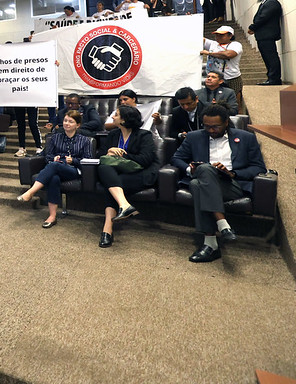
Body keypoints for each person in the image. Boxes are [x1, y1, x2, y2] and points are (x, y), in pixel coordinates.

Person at [170, 104, 266, 262]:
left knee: (198, 183)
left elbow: (258, 167)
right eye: (207, 126)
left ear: (226, 122)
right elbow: (176, 158)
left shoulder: (246, 137)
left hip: (231, 184)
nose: (211, 130)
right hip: (202, 179)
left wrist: (232, 173)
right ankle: (217, 233)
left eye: (215, 127)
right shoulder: (194, 137)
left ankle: (212, 241)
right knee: (201, 176)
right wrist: (190, 170)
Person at [96, 105, 160, 248]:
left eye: (116, 115)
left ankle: (107, 231)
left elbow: (145, 160)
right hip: (120, 173)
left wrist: (122, 154)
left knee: (110, 186)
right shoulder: (113, 134)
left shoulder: (144, 135)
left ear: (124, 119)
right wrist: (109, 150)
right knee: (105, 169)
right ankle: (123, 207)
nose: (112, 117)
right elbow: (99, 156)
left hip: (141, 173)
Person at [17, 111, 93, 228]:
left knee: (54, 166)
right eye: (65, 121)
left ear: (77, 125)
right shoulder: (55, 138)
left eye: (70, 121)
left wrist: (73, 161)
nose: (67, 123)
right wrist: (53, 158)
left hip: (74, 170)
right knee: (53, 178)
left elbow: (87, 160)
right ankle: (52, 216)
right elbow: (47, 156)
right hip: (57, 167)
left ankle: (31, 192)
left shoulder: (85, 140)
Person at [247, 0, 283, 85]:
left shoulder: (271, 2)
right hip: (263, 35)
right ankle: (271, 78)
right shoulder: (266, 3)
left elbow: (264, 17)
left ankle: (274, 79)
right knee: (267, 57)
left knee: (271, 57)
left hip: (267, 35)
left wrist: (252, 27)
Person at [201, 25, 243, 107]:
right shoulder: (213, 44)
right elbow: (199, 38)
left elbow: (228, 54)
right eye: (216, 35)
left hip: (231, 78)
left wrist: (209, 53)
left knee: (235, 102)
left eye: (222, 35)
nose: (218, 37)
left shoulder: (235, 45)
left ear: (230, 36)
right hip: (214, 78)